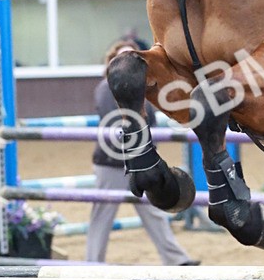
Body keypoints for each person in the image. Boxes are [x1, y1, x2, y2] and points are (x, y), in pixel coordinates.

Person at [85, 40, 199, 265]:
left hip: (137, 161)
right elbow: (117, 122)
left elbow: (149, 122)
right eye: (122, 57)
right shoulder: (106, 88)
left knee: (152, 212)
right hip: (111, 163)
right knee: (102, 215)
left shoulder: (143, 90)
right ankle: (92, 262)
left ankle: (176, 259)